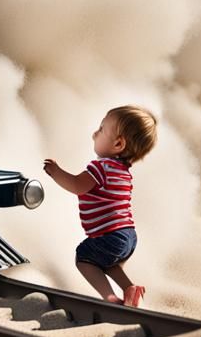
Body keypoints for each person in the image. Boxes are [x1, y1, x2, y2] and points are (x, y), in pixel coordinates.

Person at [43, 105, 158, 307]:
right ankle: (130, 289)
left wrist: (56, 172)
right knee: (107, 263)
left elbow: (77, 186)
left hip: (111, 236)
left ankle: (110, 299)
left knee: (84, 257)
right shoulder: (124, 172)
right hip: (129, 236)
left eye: (101, 129)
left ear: (118, 144)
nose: (94, 134)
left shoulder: (101, 167)